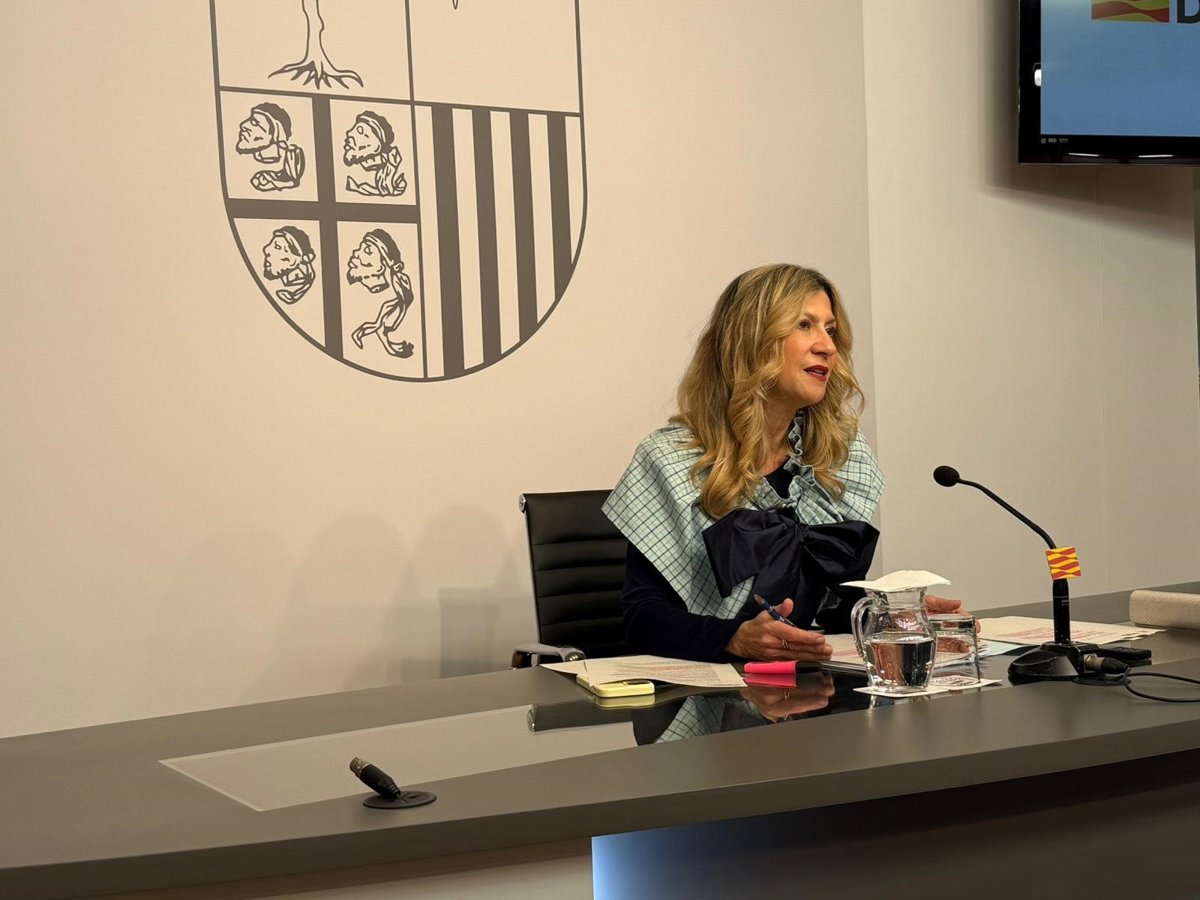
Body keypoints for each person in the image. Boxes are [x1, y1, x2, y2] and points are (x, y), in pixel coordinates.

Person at [604, 264, 962, 664]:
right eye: (805, 325)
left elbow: (829, 605)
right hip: (703, 687)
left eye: (830, 330)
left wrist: (891, 615)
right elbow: (642, 617)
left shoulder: (839, 455)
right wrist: (734, 638)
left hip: (802, 685)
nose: (827, 347)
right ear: (751, 340)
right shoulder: (670, 458)